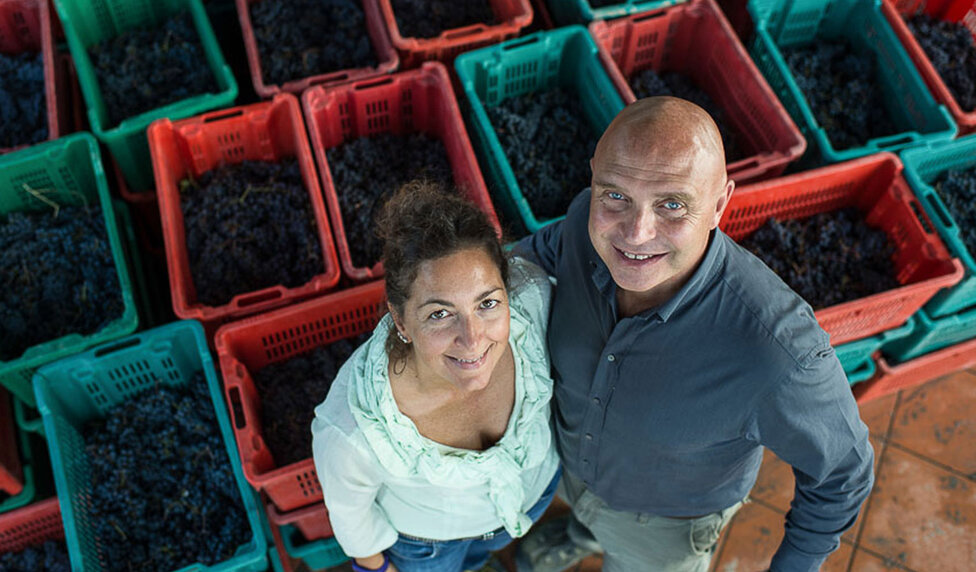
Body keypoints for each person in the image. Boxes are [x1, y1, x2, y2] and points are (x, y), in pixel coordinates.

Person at [513, 96, 875, 572]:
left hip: (664, 527)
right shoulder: (584, 222)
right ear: (595, 178)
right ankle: (582, 532)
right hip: (571, 465)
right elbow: (540, 250)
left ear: (719, 204)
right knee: (587, 515)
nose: (636, 233)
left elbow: (843, 473)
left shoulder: (777, 352)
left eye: (672, 205)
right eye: (616, 195)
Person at [311, 181, 561, 572]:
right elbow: (352, 514)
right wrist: (376, 567)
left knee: (487, 555)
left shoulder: (536, 304)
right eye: (439, 314)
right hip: (430, 548)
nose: (473, 339)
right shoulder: (355, 429)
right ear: (400, 320)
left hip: (529, 498)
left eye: (488, 303)